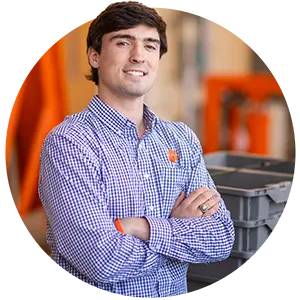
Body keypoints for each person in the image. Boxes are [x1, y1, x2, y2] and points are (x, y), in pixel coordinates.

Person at [38, 0, 235, 298]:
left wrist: (142, 228)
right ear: (95, 56)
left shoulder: (181, 139)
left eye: (150, 45)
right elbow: (101, 259)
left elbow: (219, 238)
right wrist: (179, 231)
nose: (138, 56)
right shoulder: (70, 142)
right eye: (123, 42)